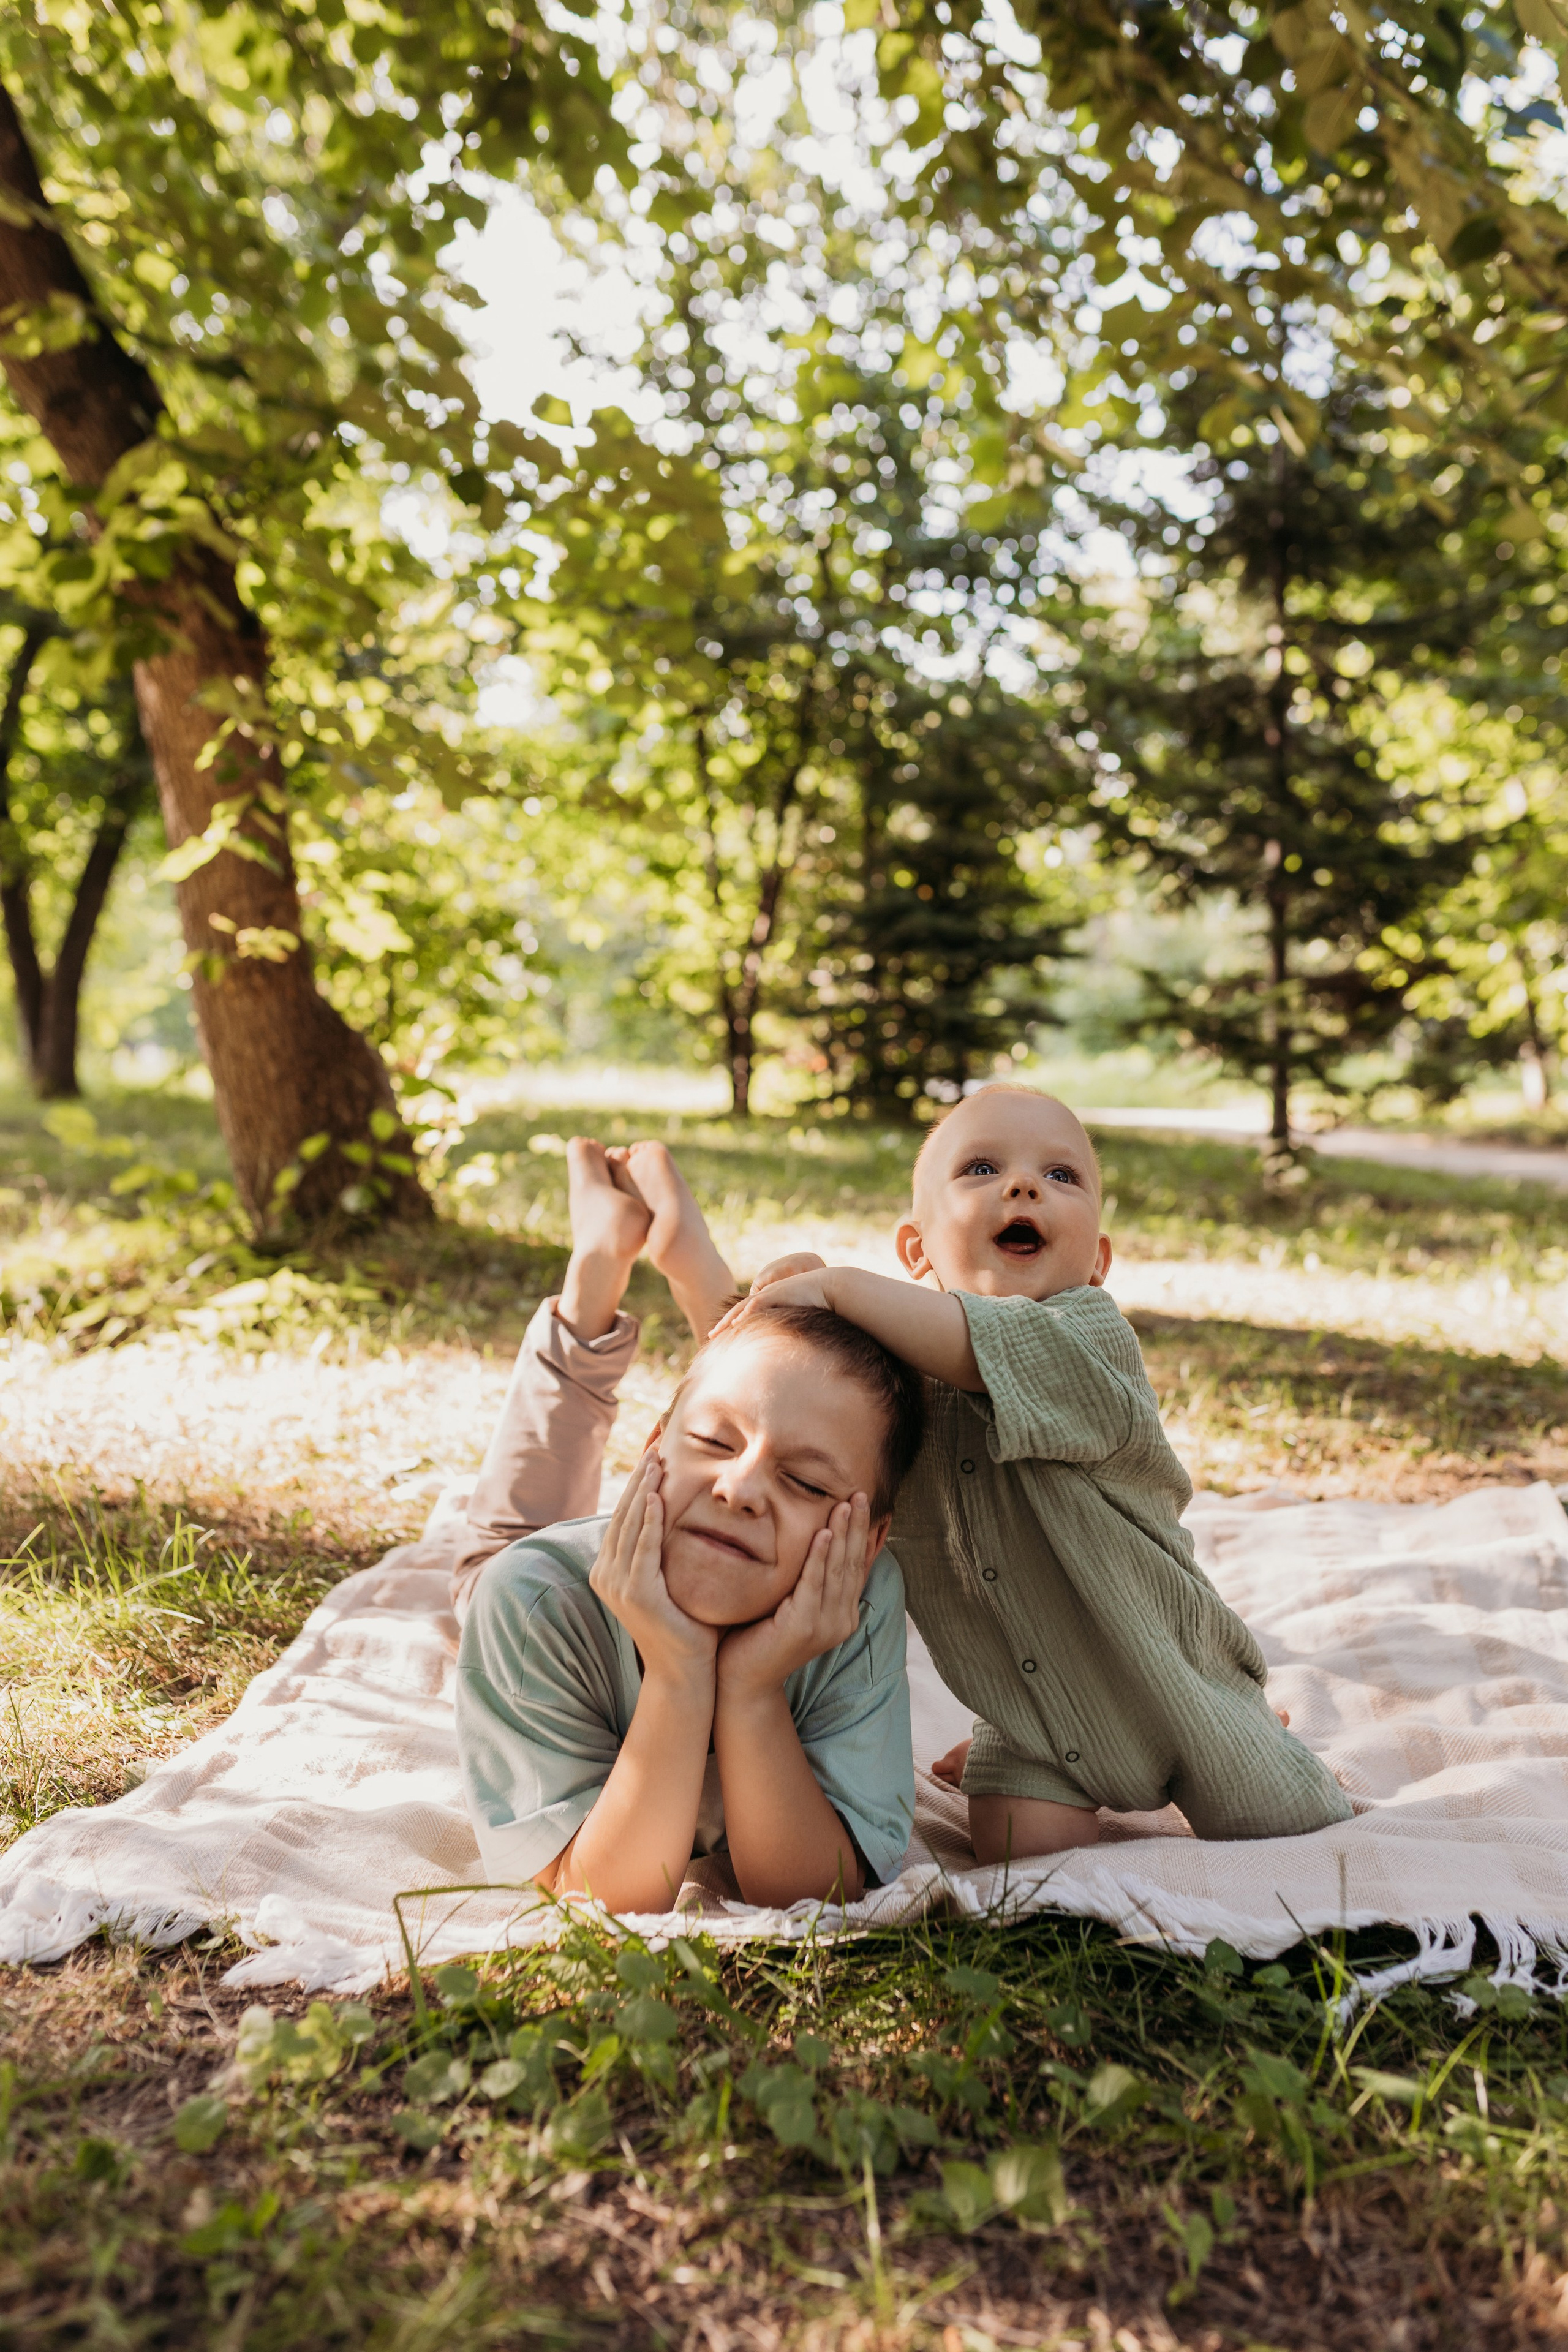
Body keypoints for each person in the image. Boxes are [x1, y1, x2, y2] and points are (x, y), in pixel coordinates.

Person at [706, 1084, 1354, 1862]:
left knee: (1296, 1835)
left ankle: (1251, 1720)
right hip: (1034, 1723)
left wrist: (838, 1286)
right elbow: (785, 1381)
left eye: (1061, 1176)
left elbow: (974, 1346)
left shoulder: (1090, 1340)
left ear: (1099, 1263)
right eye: (981, 1168)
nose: (1022, 1186)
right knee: (1023, 1870)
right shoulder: (896, 1387)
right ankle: (1026, 1753)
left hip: (1178, 1689)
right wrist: (795, 1282)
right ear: (915, 1252)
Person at [452, 1139, 924, 1915]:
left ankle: (690, 1266)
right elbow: (604, 1892)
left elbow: (812, 1888)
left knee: (764, 1383)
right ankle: (596, 1269)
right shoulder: (531, 1599)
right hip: (560, 1577)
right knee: (504, 1540)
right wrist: (676, 1673)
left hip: (678, 1534)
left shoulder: (862, 1597)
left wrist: (749, 1686)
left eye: (806, 1482)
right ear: (651, 1455)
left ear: (869, 1539)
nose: (740, 1489)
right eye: (711, 1445)